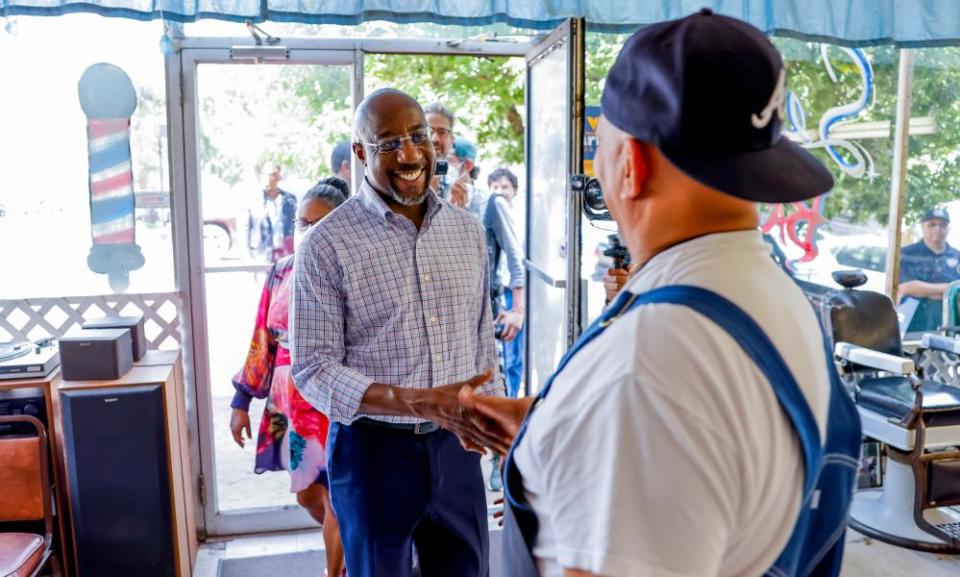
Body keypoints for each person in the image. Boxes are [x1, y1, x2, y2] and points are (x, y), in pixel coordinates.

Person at [460, 10, 860, 577]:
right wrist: (560, 432)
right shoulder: (771, 293)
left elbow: (659, 404)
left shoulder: (647, 370)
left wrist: (609, 422)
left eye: (600, 144)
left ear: (631, 166)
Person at [291, 88, 503, 577]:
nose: (408, 154)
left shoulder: (466, 232)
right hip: (372, 455)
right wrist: (410, 400)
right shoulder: (327, 244)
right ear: (361, 153)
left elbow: (481, 341)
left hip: (458, 448)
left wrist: (494, 426)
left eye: (417, 136)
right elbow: (312, 368)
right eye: (388, 143)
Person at [230, 177, 350, 577]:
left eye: (319, 223)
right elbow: (261, 338)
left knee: (337, 499)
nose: (309, 231)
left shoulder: (353, 274)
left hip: (333, 405)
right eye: (303, 222)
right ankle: (353, 545)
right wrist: (241, 402)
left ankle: (335, 571)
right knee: (306, 497)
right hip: (291, 408)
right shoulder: (281, 271)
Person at [487, 167, 526, 399]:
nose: (499, 192)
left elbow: (515, 259)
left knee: (512, 357)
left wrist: (517, 308)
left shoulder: (508, 211)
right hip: (502, 293)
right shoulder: (489, 209)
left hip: (513, 294)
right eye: (495, 187)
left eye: (504, 187)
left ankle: (511, 400)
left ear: (515, 190)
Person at [898, 207, 960, 333]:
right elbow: (906, 288)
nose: (937, 229)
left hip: (947, 323)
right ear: (922, 226)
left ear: (948, 228)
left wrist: (924, 289)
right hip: (912, 321)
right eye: (932, 225)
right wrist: (949, 290)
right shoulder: (906, 254)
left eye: (942, 225)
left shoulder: (957, 256)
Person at [250, 164, 298, 262]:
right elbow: (245, 229)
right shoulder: (255, 199)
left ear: (278, 177)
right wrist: (248, 257)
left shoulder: (289, 199)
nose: (267, 178)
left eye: (271, 175)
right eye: (264, 174)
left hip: (286, 254)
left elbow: (296, 225)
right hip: (263, 254)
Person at [424, 101, 468, 205]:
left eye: (442, 132)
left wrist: (456, 213)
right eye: (429, 132)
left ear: (452, 140)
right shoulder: (402, 183)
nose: (435, 139)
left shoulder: (456, 188)